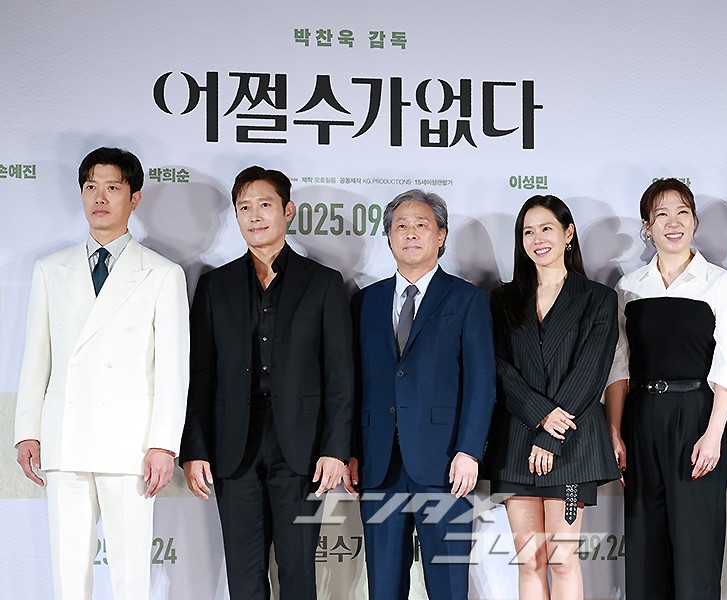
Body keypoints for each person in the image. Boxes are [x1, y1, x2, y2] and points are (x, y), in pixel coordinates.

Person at [14, 147, 189, 599]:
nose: (100, 197)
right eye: (91, 186)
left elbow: (173, 369)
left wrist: (163, 443)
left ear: (135, 198)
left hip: (130, 444)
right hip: (65, 435)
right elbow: (36, 358)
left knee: (131, 571)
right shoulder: (51, 269)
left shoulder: (161, 273)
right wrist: (27, 431)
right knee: (68, 567)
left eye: (113, 187)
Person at [179, 166, 353, 600]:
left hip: (302, 449)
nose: (254, 216)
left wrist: (336, 449)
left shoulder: (324, 283)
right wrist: (195, 449)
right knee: (243, 576)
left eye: (265, 205)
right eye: (244, 208)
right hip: (233, 446)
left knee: (298, 574)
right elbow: (199, 374)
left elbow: (340, 375)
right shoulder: (214, 285)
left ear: (287, 211)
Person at [604, 178, 727, 599]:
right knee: (645, 546)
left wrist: (714, 435)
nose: (673, 223)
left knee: (696, 550)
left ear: (695, 222)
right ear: (647, 226)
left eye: (682, 213)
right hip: (641, 418)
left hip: (698, 419)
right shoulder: (629, 286)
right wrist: (615, 431)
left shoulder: (719, 284)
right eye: (661, 215)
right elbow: (618, 364)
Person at [343, 189, 496, 600]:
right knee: (383, 587)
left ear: (441, 235)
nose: (410, 233)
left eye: (421, 225)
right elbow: (353, 383)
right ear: (389, 237)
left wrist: (469, 451)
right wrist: (351, 450)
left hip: (446, 463)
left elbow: (482, 381)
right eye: (401, 226)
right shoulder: (365, 302)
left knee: (447, 586)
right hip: (378, 465)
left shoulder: (466, 298)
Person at [487, 195, 620, 599]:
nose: (537, 239)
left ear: (568, 233)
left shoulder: (597, 297)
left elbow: (591, 371)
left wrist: (550, 433)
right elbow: (499, 368)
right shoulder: (503, 300)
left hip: (572, 443)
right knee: (530, 558)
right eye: (528, 232)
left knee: (562, 558)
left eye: (546, 228)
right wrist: (539, 416)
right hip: (517, 440)